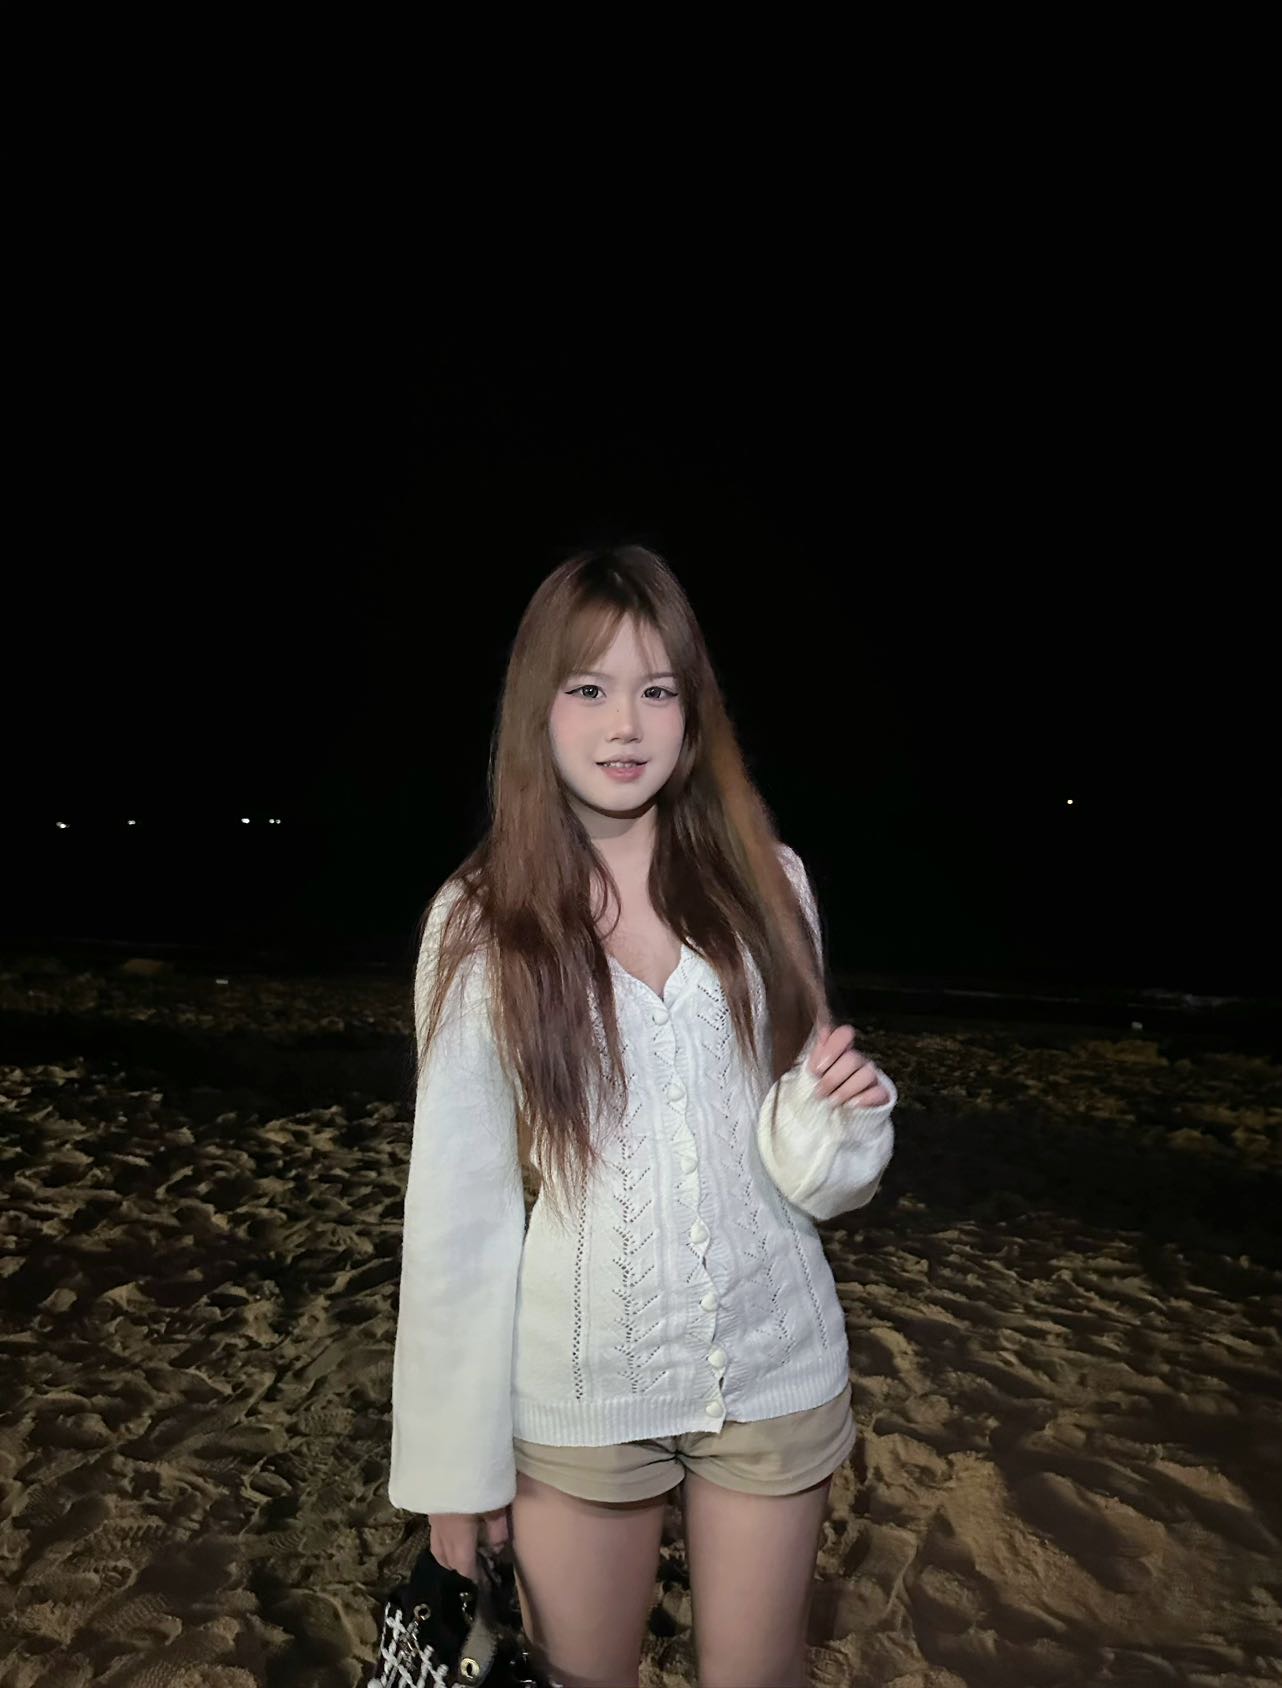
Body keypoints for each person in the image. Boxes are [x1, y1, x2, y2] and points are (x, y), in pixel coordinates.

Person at [388, 545, 897, 1688]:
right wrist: (453, 1474)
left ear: (692, 708)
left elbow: (817, 1169)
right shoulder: (477, 924)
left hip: (776, 1363)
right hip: (580, 1393)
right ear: (538, 706)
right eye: (590, 687)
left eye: (657, 689)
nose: (626, 723)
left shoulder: (770, 881)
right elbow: (459, 1215)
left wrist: (842, 1121)